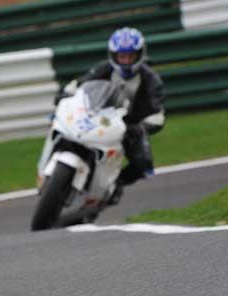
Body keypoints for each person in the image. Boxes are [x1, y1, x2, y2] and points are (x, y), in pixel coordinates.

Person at [59, 27, 165, 204]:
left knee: (144, 165)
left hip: (129, 126)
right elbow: (83, 83)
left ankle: (116, 185)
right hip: (97, 115)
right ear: (113, 55)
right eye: (121, 56)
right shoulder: (105, 68)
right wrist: (67, 93)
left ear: (140, 55)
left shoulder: (151, 79)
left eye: (130, 56)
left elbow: (158, 112)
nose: (125, 61)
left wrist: (144, 126)